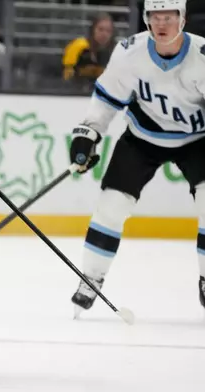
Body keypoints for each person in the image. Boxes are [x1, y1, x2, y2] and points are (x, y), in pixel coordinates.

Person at [68, 0, 205, 317]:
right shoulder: (130, 51)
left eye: (169, 16)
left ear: (182, 19)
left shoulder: (201, 55)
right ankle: (91, 277)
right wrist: (88, 133)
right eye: (155, 16)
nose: (162, 23)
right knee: (111, 206)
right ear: (145, 19)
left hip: (197, 141)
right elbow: (106, 99)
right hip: (143, 137)